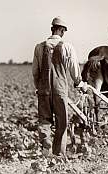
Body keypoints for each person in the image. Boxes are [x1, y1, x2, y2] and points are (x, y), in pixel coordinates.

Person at [32, 16, 87, 156]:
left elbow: (35, 71)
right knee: (61, 122)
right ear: (62, 31)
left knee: (44, 119)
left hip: (43, 90)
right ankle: (58, 154)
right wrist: (79, 83)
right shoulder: (67, 47)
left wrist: (39, 87)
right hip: (60, 90)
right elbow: (74, 70)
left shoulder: (39, 47)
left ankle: (46, 144)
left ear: (51, 29)